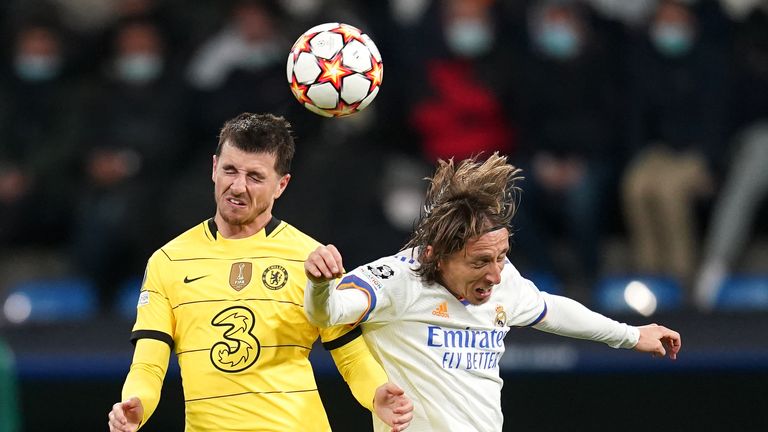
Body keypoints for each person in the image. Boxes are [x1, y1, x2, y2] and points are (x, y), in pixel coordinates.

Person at [304, 153, 681, 432]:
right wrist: (321, 285)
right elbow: (329, 314)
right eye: (481, 261)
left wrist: (631, 335)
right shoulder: (396, 280)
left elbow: (551, 309)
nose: (497, 274)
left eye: (502, 257)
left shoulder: (504, 280)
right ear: (437, 256)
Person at [107, 113, 413, 432]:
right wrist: (137, 403)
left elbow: (351, 356)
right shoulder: (168, 261)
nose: (237, 186)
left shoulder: (312, 260)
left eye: (255, 176)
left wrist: (376, 393)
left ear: (281, 185)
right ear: (214, 168)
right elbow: (149, 363)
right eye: (229, 170)